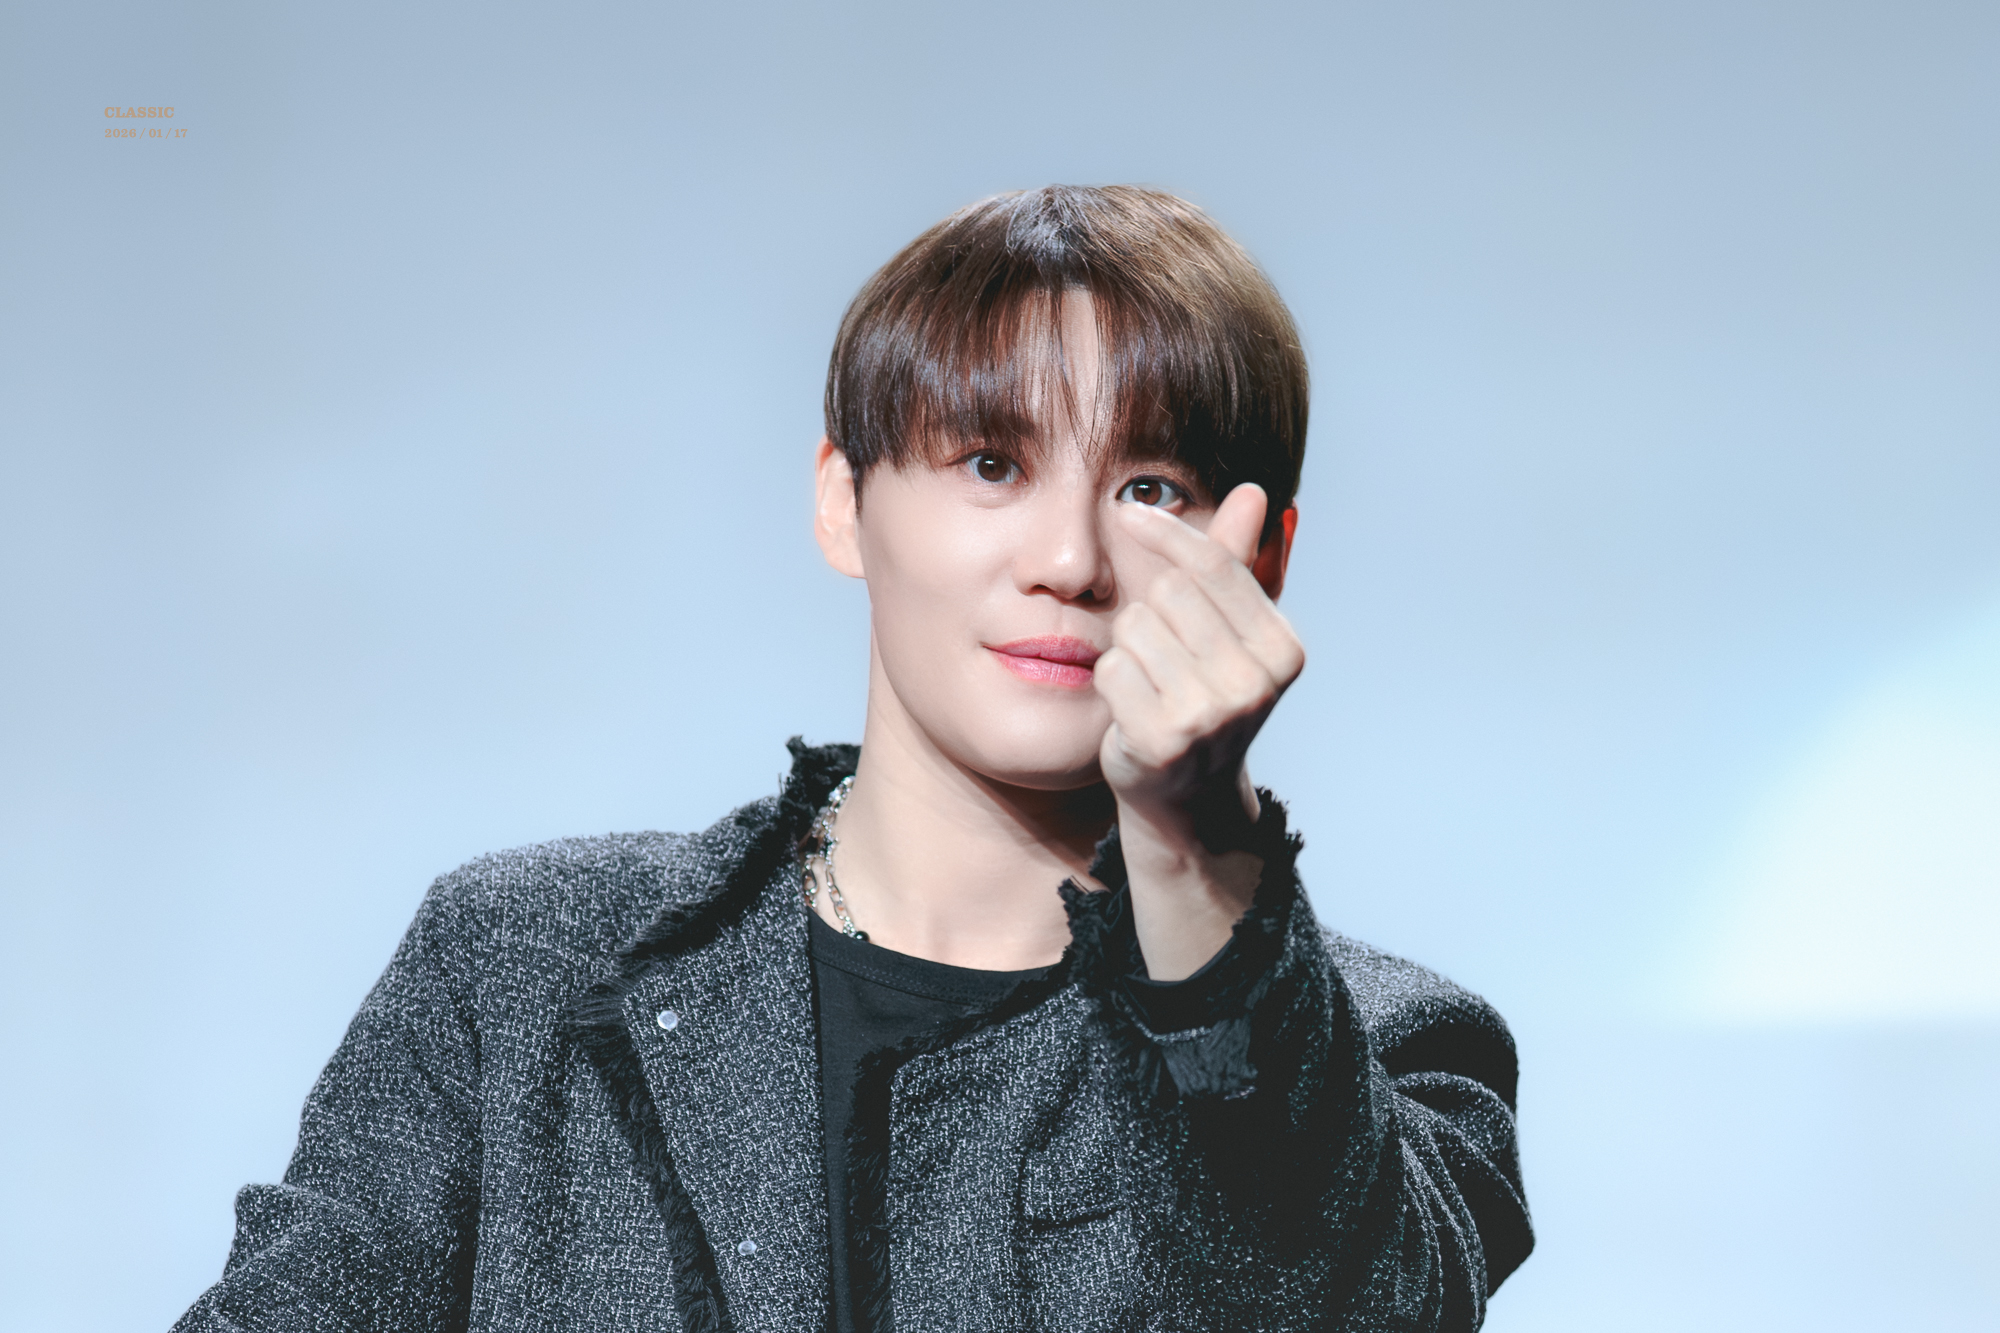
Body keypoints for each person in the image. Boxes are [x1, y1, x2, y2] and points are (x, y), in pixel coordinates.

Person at [175, 185, 1531, 1333]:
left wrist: (1195, 845)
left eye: (1150, 489)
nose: (1070, 560)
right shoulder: (523, 967)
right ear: (844, 500)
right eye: (992, 463)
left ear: (1264, 556)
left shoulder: (1396, 1055)